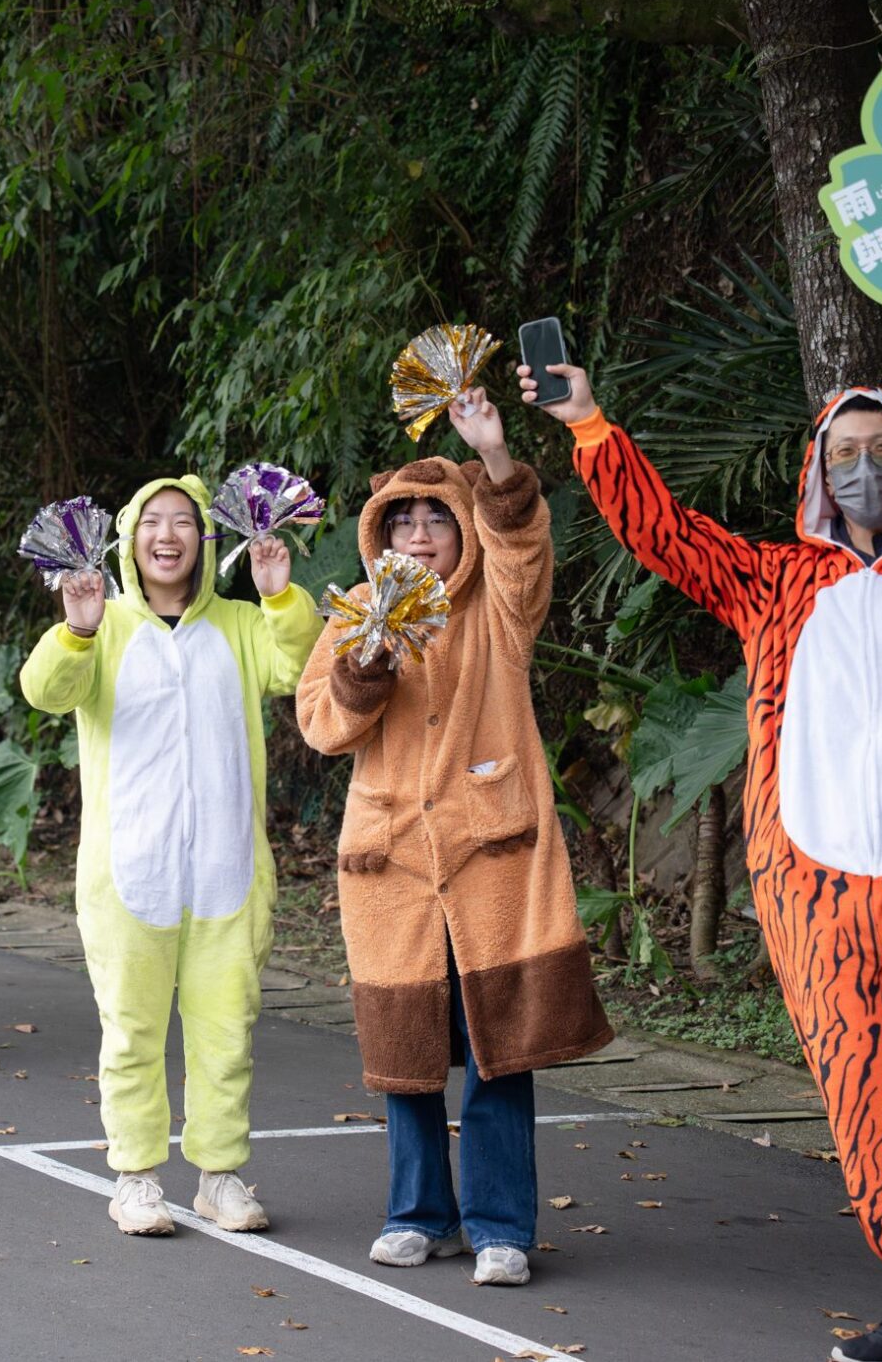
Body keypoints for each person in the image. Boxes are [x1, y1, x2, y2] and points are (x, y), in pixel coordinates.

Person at [530, 277, 882, 1362]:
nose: (864, 469)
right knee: (861, 1089)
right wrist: (588, 428)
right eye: (843, 455)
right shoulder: (770, 583)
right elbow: (664, 535)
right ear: (816, 477)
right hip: (817, 893)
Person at [295, 387, 612, 1287]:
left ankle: (503, 1226)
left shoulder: (497, 610)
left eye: (440, 515)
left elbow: (524, 550)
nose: (423, 533)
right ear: (382, 535)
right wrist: (369, 663)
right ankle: (418, 1216)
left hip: (492, 859)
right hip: (389, 863)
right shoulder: (355, 607)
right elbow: (320, 724)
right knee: (407, 1052)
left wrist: (496, 456)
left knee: (497, 1047)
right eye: (406, 520)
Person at [18, 477, 322, 1237]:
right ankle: (137, 1178)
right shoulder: (105, 625)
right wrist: (77, 631)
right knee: (131, 1031)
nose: (168, 534)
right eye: (152, 521)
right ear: (128, 538)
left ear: (205, 540)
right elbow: (45, 691)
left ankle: (220, 1175)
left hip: (227, 869)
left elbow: (301, 668)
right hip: (130, 876)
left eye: (183, 522)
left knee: (227, 1032)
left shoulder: (242, 626)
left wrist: (282, 598)